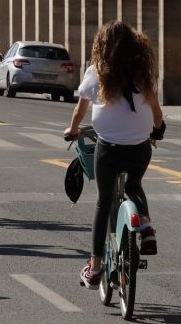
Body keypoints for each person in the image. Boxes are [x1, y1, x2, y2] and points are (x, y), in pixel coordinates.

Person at [67, 21, 164, 289]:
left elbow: (79, 111)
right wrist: (157, 130)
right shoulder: (143, 74)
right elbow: (156, 111)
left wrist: (73, 130)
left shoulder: (96, 72)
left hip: (109, 148)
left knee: (103, 201)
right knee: (134, 185)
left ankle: (95, 267)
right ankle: (145, 227)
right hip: (139, 147)